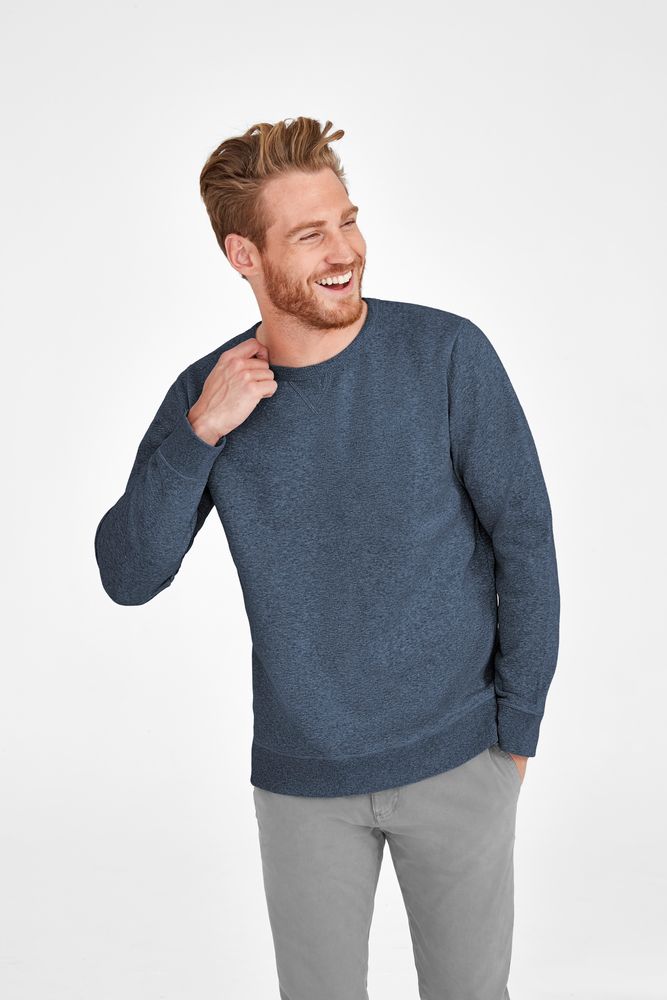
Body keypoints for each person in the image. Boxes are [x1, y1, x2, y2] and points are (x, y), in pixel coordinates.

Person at [94, 116, 560, 1000]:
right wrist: (201, 433)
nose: (344, 251)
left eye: (347, 221)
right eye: (309, 235)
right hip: (302, 782)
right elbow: (128, 575)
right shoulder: (208, 395)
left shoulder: (445, 354)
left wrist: (516, 736)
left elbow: (524, 542)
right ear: (243, 255)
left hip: (460, 759)